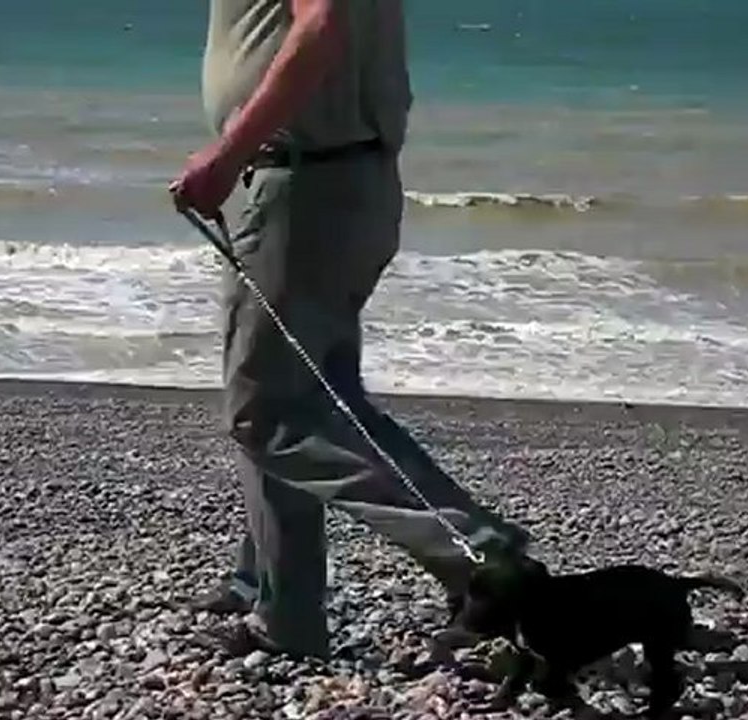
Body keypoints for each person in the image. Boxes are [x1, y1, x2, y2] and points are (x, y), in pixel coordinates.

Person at [170, 0, 531, 660]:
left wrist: (228, 154)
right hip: (330, 177)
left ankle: (482, 556)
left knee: (268, 412)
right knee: (304, 397)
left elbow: (321, 27)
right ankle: (281, 609)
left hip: (306, 185)